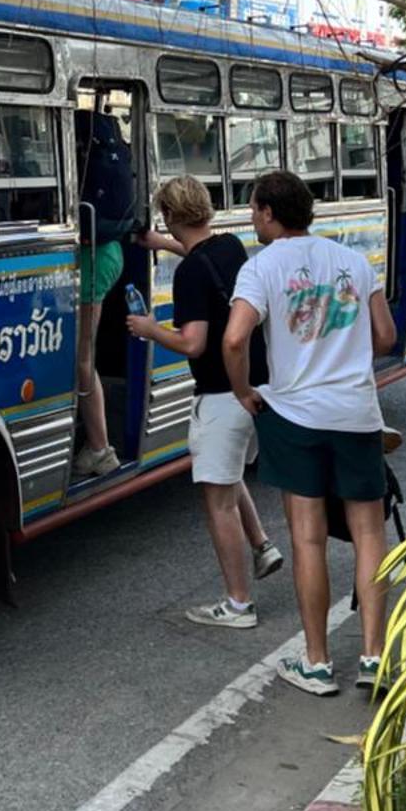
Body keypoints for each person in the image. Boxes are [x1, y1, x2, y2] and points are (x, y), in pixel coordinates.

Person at [223, 169, 396, 695]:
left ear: (269, 213)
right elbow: (386, 336)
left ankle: (317, 663)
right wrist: (345, 359)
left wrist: (243, 391)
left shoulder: (261, 267)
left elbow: (234, 340)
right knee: (370, 533)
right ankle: (374, 657)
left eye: (253, 209)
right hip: (357, 414)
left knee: (308, 538)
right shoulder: (352, 261)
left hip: (296, 416)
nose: (252, 218)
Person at [129, 175, 283, 627]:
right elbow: (200, 257)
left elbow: (193, 343)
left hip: (220, 394)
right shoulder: (230, 247)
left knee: (217, 500)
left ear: (172, 215)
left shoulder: (189, 275)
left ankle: (238, 604)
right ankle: (262, 545)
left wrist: (149, 328)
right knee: (228, 474)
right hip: (259, 386)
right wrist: (161, 241)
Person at [73, 109, 134, 477]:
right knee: (84, 357)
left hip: (93, 255)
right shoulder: (107, 152)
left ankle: (100, 449)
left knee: (83, 359)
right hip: (106, 250)